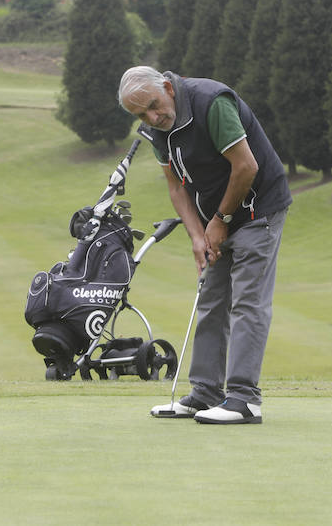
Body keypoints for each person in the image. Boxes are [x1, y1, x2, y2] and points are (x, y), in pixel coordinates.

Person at [117, 66, 291, 425]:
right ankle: (206, 393)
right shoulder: (157, 129)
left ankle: (244, 399)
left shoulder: (211, 103)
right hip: (217, 217)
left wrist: (220, 221)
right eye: (140, 114)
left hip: (259, 209)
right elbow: (176, 187)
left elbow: (246, 166)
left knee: (247, 301)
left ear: (167, 87)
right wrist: (198, 236)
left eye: (153, 106)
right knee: (211, 299)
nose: (152, 117)